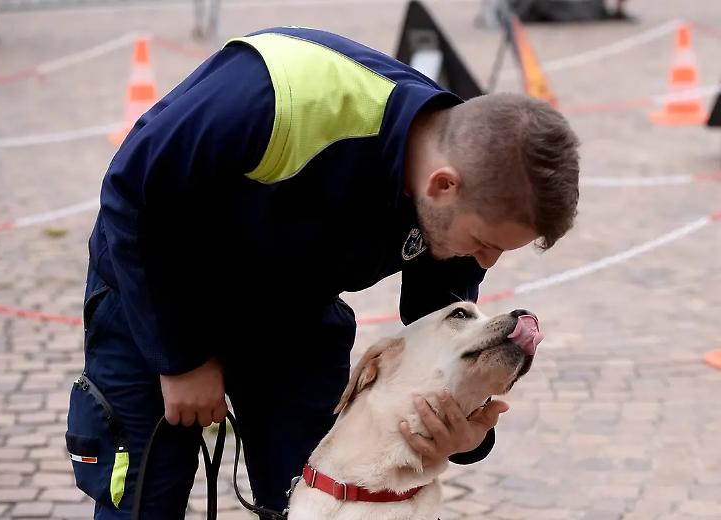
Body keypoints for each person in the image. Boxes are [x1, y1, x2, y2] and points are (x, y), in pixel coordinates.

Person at [65, 26, 580, 519]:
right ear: (442, 185)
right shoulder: (271, 97)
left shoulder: (464, 189)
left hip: (292, 315)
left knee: (316, 493)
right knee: (142, 501)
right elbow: (133, 197)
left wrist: (466, 430)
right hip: (157, 291)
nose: (484, 262)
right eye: (486, 244)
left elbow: (442, 336)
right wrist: (179, 359)